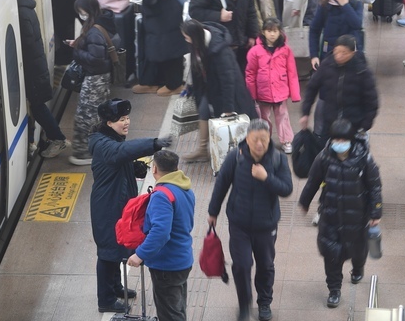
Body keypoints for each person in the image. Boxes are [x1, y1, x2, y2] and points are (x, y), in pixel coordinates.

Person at [88, 99, 172, 313]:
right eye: (121, 120)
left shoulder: (111, 139)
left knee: (117, 248)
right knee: (108, 252)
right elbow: (120, 153)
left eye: (127, 118)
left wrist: (134, 168)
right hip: (107, 206)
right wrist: (154, 143)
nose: (126, 122)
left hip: (117, 203)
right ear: (108, 123)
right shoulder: (104, 144)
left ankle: (116, 287)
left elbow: (120, 159)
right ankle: (105, 300)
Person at [207, 119, 293, 321]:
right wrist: (213, 212)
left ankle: (264, 303)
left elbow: (287, 189)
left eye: (264, 139)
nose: (260, 144)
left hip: (266, 225)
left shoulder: (278, 159)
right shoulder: (235, 157)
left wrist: (266, 177)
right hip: (240, 224)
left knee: (265, 265)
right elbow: (221, 185)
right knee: (242, 265)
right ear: (247, 138)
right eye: (256, 140)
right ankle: (244, 304)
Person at [299, 119, 382, 308]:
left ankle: (358, 267)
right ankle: (334, 290)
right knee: (332, 255)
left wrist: (376, 211)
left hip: (358, 216)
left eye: (343, 140)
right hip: (331, 215)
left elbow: (375, 185)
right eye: (336, 139)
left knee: (358, 250)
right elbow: (313, 181)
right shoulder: (324, 157)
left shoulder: (364, 159)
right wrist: (305, 201)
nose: (339, 143)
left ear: (351, 140)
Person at [127, 150, 195, 321]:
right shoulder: (185, 189)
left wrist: (140, 254)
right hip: (182, 258)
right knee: (177, 308)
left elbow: (161, 232)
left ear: (154, 169)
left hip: (167, 264)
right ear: (176, 167)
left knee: (169, 314)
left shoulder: (162, 196)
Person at [180, 20, 258, 162]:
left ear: (195, 36)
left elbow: (228, 80)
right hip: (208, 87)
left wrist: (228, 108)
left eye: (187, 37)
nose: (185, 40)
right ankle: (203, 149)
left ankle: (244, 154)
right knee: (203, 111)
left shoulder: (220, 51)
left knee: (233, 123)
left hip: (227, 93)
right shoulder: (197, 43)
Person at [16, 0, 71, 158]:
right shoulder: (26, 8)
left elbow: (25, 44)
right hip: (35, 67)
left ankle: (58, 139)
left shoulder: (20, 14)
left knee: (37, 106)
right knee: (35, 106)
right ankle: (32, 141)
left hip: (32, 70)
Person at [66, 0, 113, 165]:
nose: (81, 14)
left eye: (82, 11)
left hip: (96, 79)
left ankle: (87, 152)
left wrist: (77, 52)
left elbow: (96, 58)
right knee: (91, 114)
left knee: (87, 115)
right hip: (96, 77)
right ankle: (88, 149)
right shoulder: (93, 26)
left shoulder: (94, 31)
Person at [300, 34, 378, 139]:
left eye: (344, 53)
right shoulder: (327, 65)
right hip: (330, 122)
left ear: (353, 53)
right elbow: (312, 87)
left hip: (354, 125)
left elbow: (372, 101)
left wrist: (365, 126)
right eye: (336, 52)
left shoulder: (362, 71)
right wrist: (306, 112)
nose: (339, 56)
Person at [245, 18, 301, 154]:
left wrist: (295, 94)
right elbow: (250, 73)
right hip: (262, 92)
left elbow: (292, 72)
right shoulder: (255, 51)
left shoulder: (286, 50)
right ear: (263, 32)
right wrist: (252, 94)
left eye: (275, 31)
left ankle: (286, 140)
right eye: (269, 31)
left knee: (283, 116)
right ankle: (265, 140)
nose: (272, 34)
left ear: (280, 32)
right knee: (263, 118)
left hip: (280, 90)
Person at [309, 0, 364, 68]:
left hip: (349, 53)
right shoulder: (325, 4)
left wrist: (345, 5)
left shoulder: (356, 5)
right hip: (329, 51)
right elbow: (314, 29)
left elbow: (357, 25)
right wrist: (314, 55)